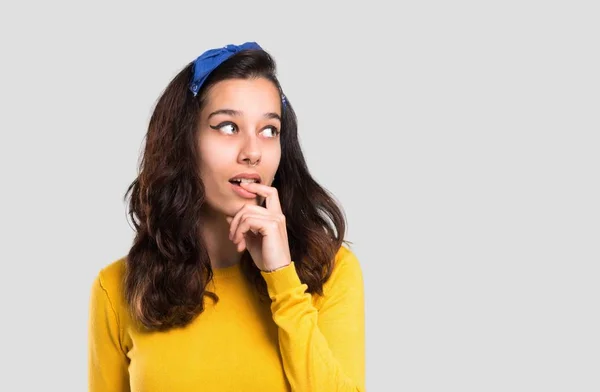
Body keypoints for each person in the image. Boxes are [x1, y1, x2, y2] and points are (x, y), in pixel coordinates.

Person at [88, 41, 365, 392]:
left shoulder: (331, 270)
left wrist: (282, 279)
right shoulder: (116, 288)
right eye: (228, 127)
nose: (252, 152)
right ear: (183, 141)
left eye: (269, 130)